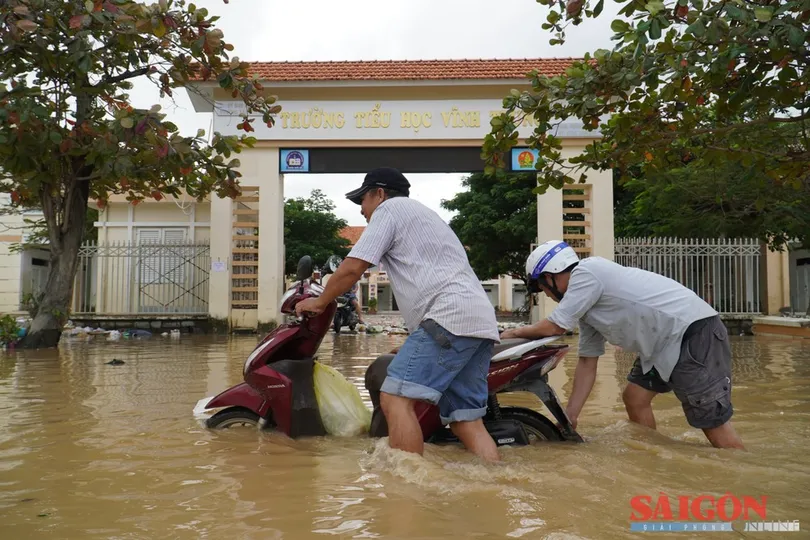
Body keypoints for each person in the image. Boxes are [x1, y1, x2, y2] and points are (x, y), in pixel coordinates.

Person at [295, 167, 501, 462]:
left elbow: (354, 267)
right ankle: (495, 480)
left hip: (448, 318)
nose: (363, 211)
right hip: (479, 324)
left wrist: (320, 301)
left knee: (394, 398)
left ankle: (408, 486)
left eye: (362, 201)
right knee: (466, 419)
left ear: (379, 194)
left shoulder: (389, 210)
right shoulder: (426, 217)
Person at [500, 240, 745, 450]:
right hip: (660, 346)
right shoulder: (587, 308)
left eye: (540, 286)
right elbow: (587, 362)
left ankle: (738, 468)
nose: (544, 293)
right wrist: (571, 415)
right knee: (634, 398)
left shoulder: (587, 272)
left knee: (710, 420)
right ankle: (652, 456)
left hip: (692, 332)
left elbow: (556, 326)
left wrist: (512, 332)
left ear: (550, 275)